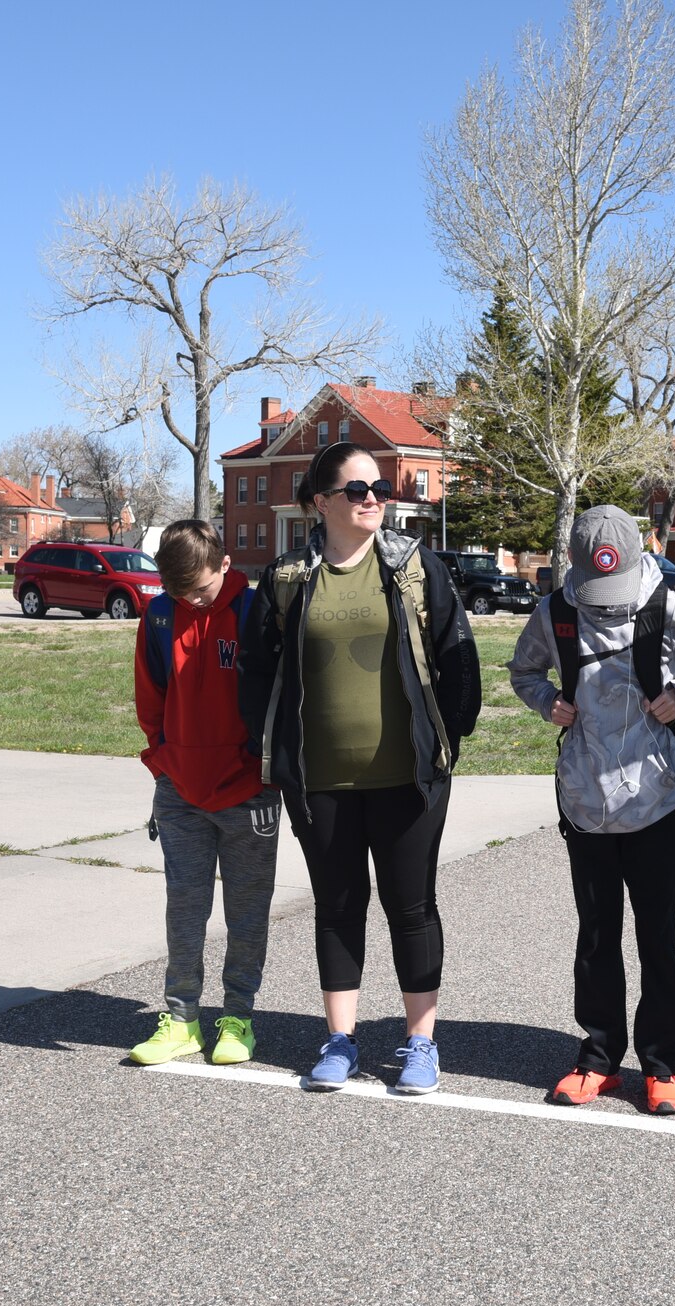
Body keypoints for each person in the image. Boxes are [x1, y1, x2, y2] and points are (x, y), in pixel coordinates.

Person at [240, 442, 480, 1095]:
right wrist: (275, 753)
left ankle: (420, 1044)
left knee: (412, 906)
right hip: (319, 781)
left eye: (377, 486)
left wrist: (450, 735)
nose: (371, 496)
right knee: (338, 905)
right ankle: (340, 1040)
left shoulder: (412, 566)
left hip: (409, 777)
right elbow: (258, 672)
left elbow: (457, 653)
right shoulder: (288, 578)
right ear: (320, 501)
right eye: (355, 488)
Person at [509, 506, 675, 1116]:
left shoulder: (666, 605)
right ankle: (599, 1058)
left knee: (658, 936)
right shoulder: (557, 610)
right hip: (585, 799)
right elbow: (523, 670)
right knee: (595, 935)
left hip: (655, 800)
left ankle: (662, 1066)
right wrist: (547, 703)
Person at [127, 519, 282, 1068]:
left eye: (200, 588)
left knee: (246, 913)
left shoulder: (255, 610)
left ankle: (237, 1016)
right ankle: (182, 1020)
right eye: (178, 590)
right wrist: (162, 762)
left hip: (249, 792)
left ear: (224, 565)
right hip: (180, 791)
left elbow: (282, 696)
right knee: (185, 910)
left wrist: (268, 768)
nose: (191, 599)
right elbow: (151, 696)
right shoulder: (160, 615)